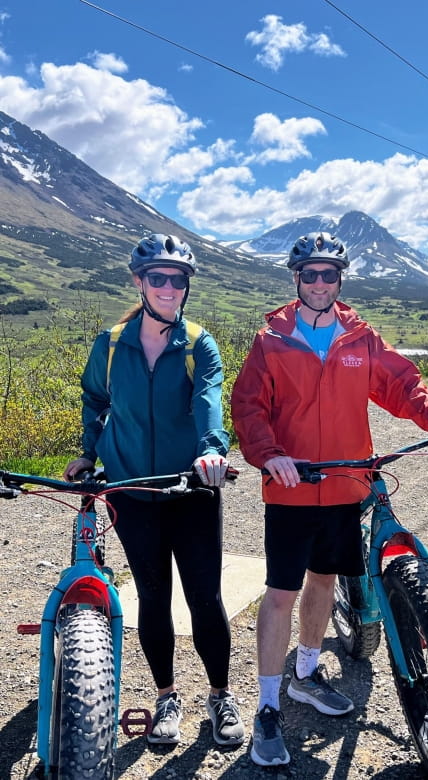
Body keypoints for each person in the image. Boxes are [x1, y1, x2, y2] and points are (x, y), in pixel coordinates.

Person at [230, 231, 428, 767]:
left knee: (323, 580)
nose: (320, 283)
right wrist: (268, 454)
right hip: (292, 489)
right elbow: (248, 406)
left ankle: (307, 673)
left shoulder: (360, 338)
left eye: (329, 274)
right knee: (279, 593)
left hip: (347, 483)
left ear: (341, 280)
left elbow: (402, 385)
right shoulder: (271, 339)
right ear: (296, 279)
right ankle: (267, 707)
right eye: (310, 274)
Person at [64, 233, 244, 748]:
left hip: (190, 486)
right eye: (158, 278)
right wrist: (88, 452)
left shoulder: (198, 342)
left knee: (205, 598)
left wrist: (212, 449)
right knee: (152, 597)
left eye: (177, 279)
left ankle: (219, 696)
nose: (169, 287)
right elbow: (96, 398)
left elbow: (210, 397)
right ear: (139, 283)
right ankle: (167, 697)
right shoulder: (112, 341)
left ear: (186, 286)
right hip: (129, 489)